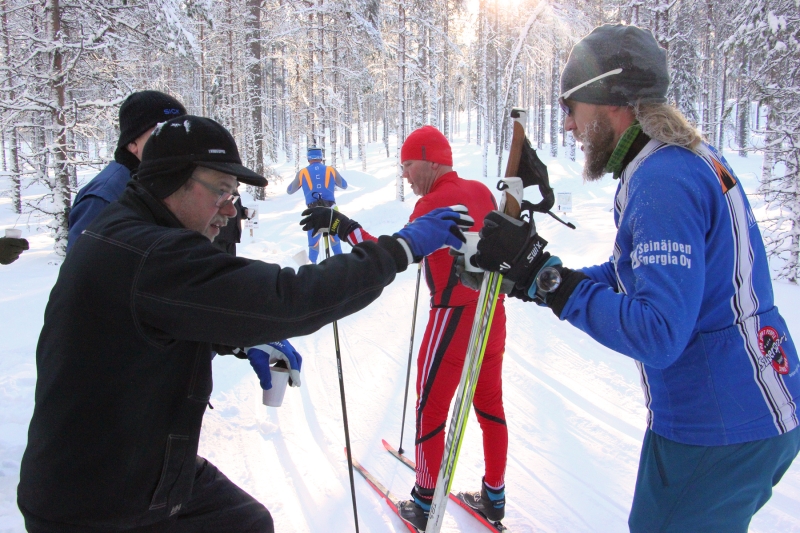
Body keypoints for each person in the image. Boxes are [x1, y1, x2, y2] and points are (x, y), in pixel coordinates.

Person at [17, 115, 474, 533]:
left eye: (233, 194)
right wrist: (400, 249)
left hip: (137, 464)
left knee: (247, 522)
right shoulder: (150, 252)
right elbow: (288, 297)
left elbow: (147, 321)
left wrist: (234, 341)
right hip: (96, 501)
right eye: (221, 189)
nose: (231, 208)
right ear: (172, 179)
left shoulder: (134, 231)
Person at [470, 24, 800, 533]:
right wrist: (537, 277)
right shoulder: (681, 159)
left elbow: (659, 332)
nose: (568, 126)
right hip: (743, 406)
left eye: (571, 106)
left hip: (718, 421)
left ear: (610, 102)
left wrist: (546, 278)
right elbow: (639, 276)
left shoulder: (662, 179)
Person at [302, 125, 508, 529]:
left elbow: (390, 254)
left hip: (450, 317)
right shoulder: (481, 191)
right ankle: (494, 497)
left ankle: (424, 500)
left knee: (430, 408)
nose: (405, 174)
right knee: (489, 406)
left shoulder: (431, 202)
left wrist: (343, 226)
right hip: (492, 314)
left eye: (409, 164)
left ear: (431, 160)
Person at [67, 90, 186, 252]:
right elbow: (80, 268)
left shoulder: (166, 182)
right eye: (162, 132)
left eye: (182, 130)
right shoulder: (103, 197)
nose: (177, 141)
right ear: (132, 143)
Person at [287, 146, 348, 263]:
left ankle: (312, 275)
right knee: (336, 243)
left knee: (313, 247)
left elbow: (290, 190)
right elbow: (344, 185)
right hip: (331, 210)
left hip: (313, 212)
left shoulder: (303, 172)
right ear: (321, 157)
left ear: (309, 158)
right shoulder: (330, 170)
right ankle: (342, 272)